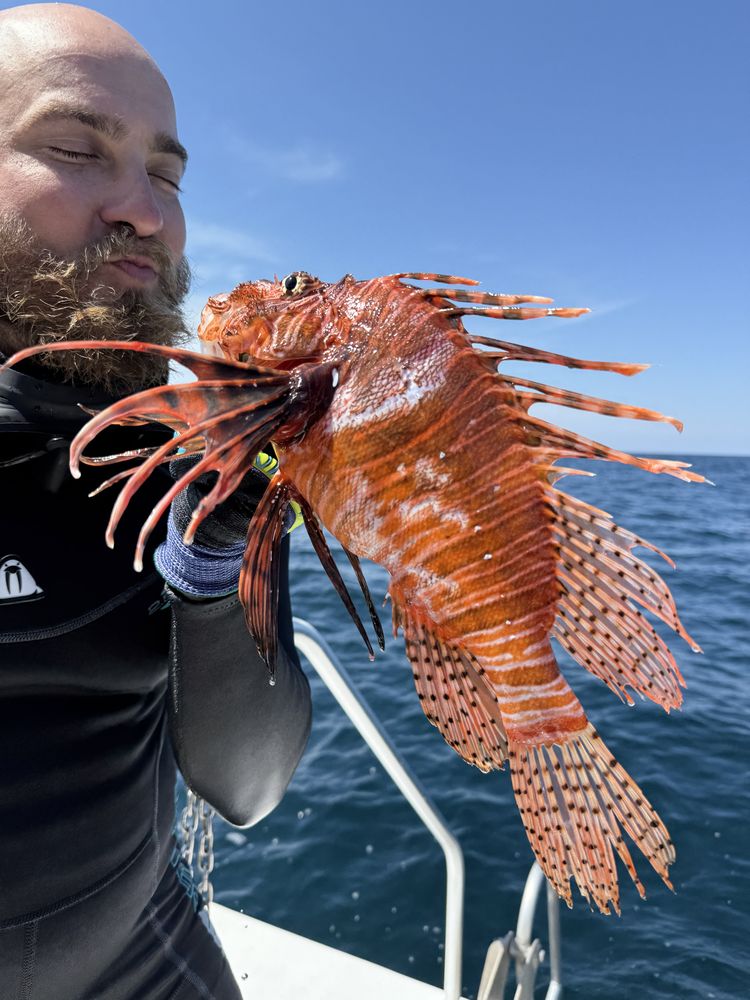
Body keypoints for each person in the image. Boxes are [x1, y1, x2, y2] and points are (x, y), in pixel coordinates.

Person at [0, 5, 312, 998]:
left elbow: (248, 786)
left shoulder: (191, 448)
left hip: (145, 958)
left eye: (167, 175)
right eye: (73, 148)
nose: (144, 208)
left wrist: (218, 560)